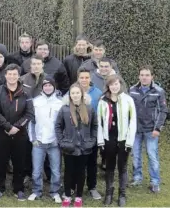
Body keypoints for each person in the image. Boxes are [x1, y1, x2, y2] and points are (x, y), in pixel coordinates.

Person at [0, 64, 34, 202]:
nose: (12, 77)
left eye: (15, 74)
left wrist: (17, 127)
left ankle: (18, 188)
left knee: (19, 163)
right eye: (10, 74)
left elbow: (29, 113)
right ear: (5, 75)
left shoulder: (26, 92)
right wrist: (8, 127)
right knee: (0, 162)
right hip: (2, 133)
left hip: (20, 134)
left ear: (18, 76)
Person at [55, 83, 98, 207]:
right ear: (69, 95)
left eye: (77, 93)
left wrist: (91, 141)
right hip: (69, 147)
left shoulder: (89, 108)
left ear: (82, 94)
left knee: (81, 172)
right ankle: (67, 195)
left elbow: (94, 126)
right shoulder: (64, 109)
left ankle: (79, 196)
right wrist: (62, 141)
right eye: (72, 93)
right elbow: (58, 126)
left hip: (84, 147)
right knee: (68, 171)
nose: (75, 95)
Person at [97, 75, 137, 207]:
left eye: (116, 84)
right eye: (111, 84)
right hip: (109, 139)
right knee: (109, 167)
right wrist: (101, 141)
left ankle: (122, 194)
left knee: (122, 167)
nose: (114, 87)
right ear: (108, 86)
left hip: (123, 139)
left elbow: (133, 122)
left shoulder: (128, 100)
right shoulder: (103, 101)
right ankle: (109, 193)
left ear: (120, 84)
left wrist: (129, 142)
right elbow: (99, 122)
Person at [128, 65, 167, 193]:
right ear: (139, 76)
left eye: (147, 75)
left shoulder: (158, 91)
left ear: (152, 77)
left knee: (152, 155)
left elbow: (163, 111)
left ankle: (155, 182)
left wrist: (158, 128)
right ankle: (137, 178)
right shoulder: (132, 90)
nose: (144, 77)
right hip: (136, 130)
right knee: (136, 155)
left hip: (151, 130)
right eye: (142, 75)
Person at [27, 77, 63, 203]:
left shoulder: (60, 102)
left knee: (55, 171)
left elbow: (62, 123)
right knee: (36, 170)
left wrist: (60, 140)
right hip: (38, 142)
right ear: (42, 88)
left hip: (54, 143)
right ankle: (36, 191)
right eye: (45, 86)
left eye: (50, 85)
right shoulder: (36, 101)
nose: (48, 88)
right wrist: (33, 139)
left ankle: (55, 192)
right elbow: (31, 122)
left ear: (54, 87)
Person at [74, 67, 103, 199]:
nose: (84, 80)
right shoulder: (72, 92)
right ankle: (73, 186)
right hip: (75, 135)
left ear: (90, 78)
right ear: (78, 79)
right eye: (82, 78)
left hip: (91, 134)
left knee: (91, 163)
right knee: (75, 163)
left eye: (86, 77)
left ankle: (92, 187)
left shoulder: (98, 93)